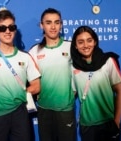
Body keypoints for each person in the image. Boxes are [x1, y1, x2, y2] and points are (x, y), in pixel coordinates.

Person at [0, 9, 41, 141]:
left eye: (11, 27)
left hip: (20, 113)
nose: (7, 31)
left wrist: (19, 93)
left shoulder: (26, 57)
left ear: (15, 30)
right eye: (2, 28)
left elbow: (36, 86)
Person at [28, 8, 76, 141]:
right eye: (48, 22)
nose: (53, 26)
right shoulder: (34, 51)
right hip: (44, 110)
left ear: (61, 25)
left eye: (57, 22)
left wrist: (73, 92)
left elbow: (81, 74)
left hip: (65, 109)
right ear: (41, 25)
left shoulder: (71, 47)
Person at [70, 25, 121, 141]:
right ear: (75, 46)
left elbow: (120, 91)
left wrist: (116, 122)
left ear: (95, 42)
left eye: (89, 40)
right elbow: (71, 94)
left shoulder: (108, 61)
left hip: (109, 123)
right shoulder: (72, 67)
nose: (85, 45)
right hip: (87, 126)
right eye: (80, 42)